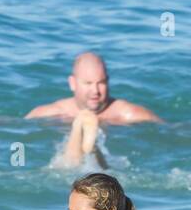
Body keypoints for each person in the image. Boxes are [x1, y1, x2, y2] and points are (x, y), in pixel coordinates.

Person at [27, 51, 163, 169]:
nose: (95, 91)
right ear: (72, 83)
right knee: (70, 166)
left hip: (105, 162)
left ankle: (89, 142)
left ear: (108, 81)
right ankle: (83, 134)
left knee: (85, 168)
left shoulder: (129, 114)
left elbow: (169, 130)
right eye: (88, 83)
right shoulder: (51, 112)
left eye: (101, 83)